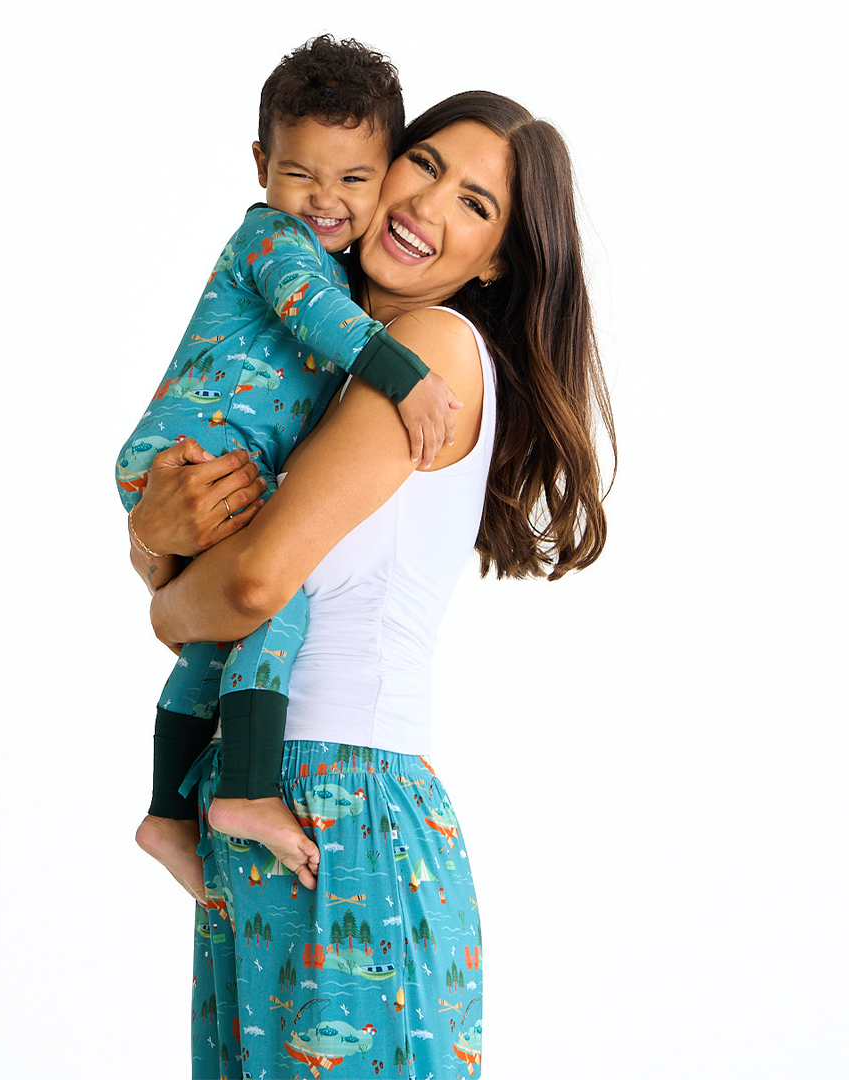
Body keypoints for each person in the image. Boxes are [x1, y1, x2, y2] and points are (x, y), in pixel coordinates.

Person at [133, 89, 616, 1079]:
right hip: (265, 786)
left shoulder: (431, 349)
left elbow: (255, 584)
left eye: (476, 205)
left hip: (343, 800)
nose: (429, 205)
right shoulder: (326, 367)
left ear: (497, 263)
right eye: (426, 164)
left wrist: (160, 594)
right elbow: (227, 572)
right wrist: (155, 534)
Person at [118, 36, 462, 902]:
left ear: (381, 178)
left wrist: (158, 571)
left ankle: (167, 811)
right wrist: (404, 375)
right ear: (262, 166)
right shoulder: (275, 241)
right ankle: (242, 791)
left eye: (354, 180)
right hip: (198, 450)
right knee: (281, 596)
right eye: (302, 174)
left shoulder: (345, 270)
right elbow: (313, 317)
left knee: (226, 631)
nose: (326, 200)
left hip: (220, 460)